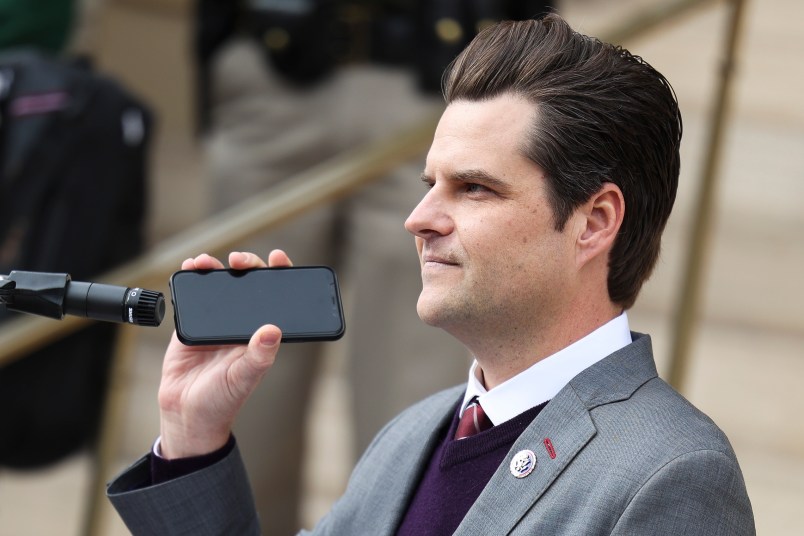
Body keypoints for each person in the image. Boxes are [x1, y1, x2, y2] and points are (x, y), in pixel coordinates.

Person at [107, 14, 755, 535]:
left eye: (473, 188)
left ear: (593, 222)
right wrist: (194, 438)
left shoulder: (674, 473)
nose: (419, 218)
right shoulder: (412, 435)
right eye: (429, 184)